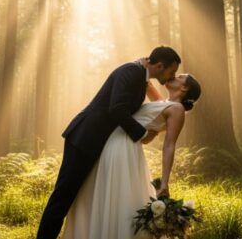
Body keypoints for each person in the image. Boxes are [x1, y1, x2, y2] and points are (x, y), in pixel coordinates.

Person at [35, 46, 181, 239]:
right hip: (84, 138)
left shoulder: (140, 75)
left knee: (78, 196)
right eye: (172, 71)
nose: (172, 76)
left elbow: (162, 105)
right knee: (64, 195)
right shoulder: (131, 71)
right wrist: (143, 133)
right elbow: (117, 109)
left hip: (97, 142)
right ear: (160, 66)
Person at [63, 73, 201, 239]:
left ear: (185, 87)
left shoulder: (177, 110)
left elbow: (169, 145)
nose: (173, 75)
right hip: (112, 142)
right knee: (103, 192)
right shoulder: (163, 103)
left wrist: (164, 182)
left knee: (118, 195)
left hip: (124, 148)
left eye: (179, 76)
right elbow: (146, 81)